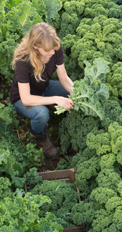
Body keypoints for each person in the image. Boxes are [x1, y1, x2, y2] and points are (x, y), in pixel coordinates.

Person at [10, 22, 74, 158]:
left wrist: (79, 93)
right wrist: (56, 99)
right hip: (22, 100)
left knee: (69, 92)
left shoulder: (54, 48)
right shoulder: (23, 59)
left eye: (54, 49)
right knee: (42, 113)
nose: (52, 52)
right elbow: (26, 98)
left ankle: (48, 103)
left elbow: (63, 77)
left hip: (44, 88)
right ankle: (39, 137)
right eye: (48, 51)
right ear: (35, 47)